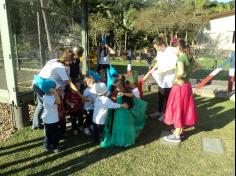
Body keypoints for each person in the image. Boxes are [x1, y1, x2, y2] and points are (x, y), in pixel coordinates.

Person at [32, 48, 85, 130]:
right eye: (71, 61)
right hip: (43, 87)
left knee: (41, 105)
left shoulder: (56, 61)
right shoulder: (60, 68)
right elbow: (70, 83)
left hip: (40, 84)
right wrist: (81, 96)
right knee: (52, 107)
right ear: (67, 60)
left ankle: (36, 124)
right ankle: (53, 127)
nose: (72, 62)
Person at [164, 38, 198, 143]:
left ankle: (177, 134)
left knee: (178, 108)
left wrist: (177, 78)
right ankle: (180, 131)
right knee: (183, 108)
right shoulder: (189, 57)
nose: (175, 50)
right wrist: (188, 74)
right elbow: (198, 66)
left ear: (179, 47)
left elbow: (181, 71)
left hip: (179, 87)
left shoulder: (181, 59)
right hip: (187, 86)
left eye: (175, 47)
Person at [100, 78, 147, 148]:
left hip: (126, 113)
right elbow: (109, 98)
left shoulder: (126, 91)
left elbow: (132, 95)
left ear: (121, 86)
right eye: (115, 87)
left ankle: (127, 140)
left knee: (126, 126)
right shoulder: (115, 92)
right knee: (118, 126)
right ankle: (118, 140)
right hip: (117, 113)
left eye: (117, 87)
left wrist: (124, 94)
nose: (116, 88)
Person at [143, 36, 178, 120]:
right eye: (156, 48)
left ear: (162, 44)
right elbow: (159, 62)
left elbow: (175, 65)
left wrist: (163, 70)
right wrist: (153, 69)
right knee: (160, 96)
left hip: (169, 78)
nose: (157, 49)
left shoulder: (171, 51)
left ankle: (165, 114)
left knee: (167, 98)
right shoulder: (159, 52)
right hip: (161, 78)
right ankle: (159, 112)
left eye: (157, 47)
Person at [41, 84, 61, 153]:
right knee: (55, 134)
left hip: (49, 118)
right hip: (51, 120)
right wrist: (55, 92)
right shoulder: (49, 98)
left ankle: (47, 146)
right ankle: (54, 147)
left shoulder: (47, 96)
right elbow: (58, 101)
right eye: (54, 88)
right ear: (50, 90)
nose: (55, 89)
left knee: (49, 134)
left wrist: (55, 92)